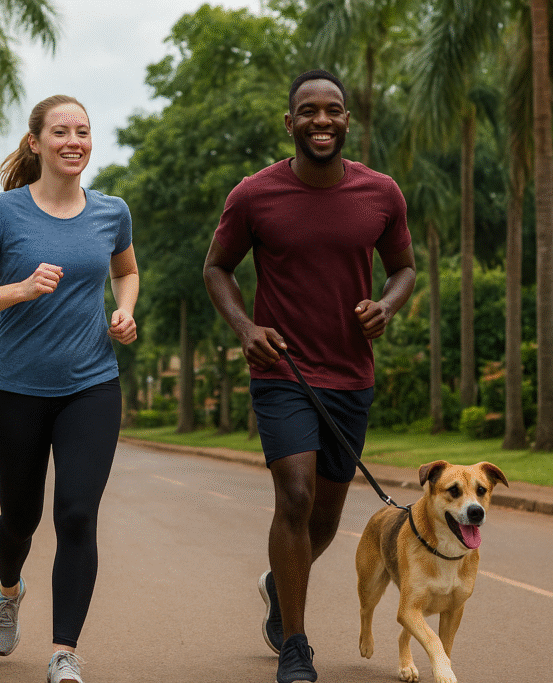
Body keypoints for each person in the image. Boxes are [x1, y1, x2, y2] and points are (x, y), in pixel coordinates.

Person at [203, 69, 415, 683]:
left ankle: (279, 584)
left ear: (348, 120)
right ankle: (296, 645)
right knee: (294, 496)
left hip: (351, 374)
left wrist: (387, 304)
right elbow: (218, 269)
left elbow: (403, 268)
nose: (322, 120)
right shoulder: (254, 195)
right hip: (283, 369)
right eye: (309, 111)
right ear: (289, 121)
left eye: (334, 110)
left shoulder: (381, 193)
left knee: (323, 518)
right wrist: (247, 330)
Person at [0, 94, 139, 683]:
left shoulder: (111, 212)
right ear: (36, 142)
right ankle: (9, 591)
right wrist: (20, 289)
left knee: (78, 514)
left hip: (91, 385)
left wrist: (125, 310)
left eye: (83, 130)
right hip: (14, 390)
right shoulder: (1, 212)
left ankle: (64, 653)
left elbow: (125, 269)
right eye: (60, 131)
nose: (73, 141)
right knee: (19, 518)